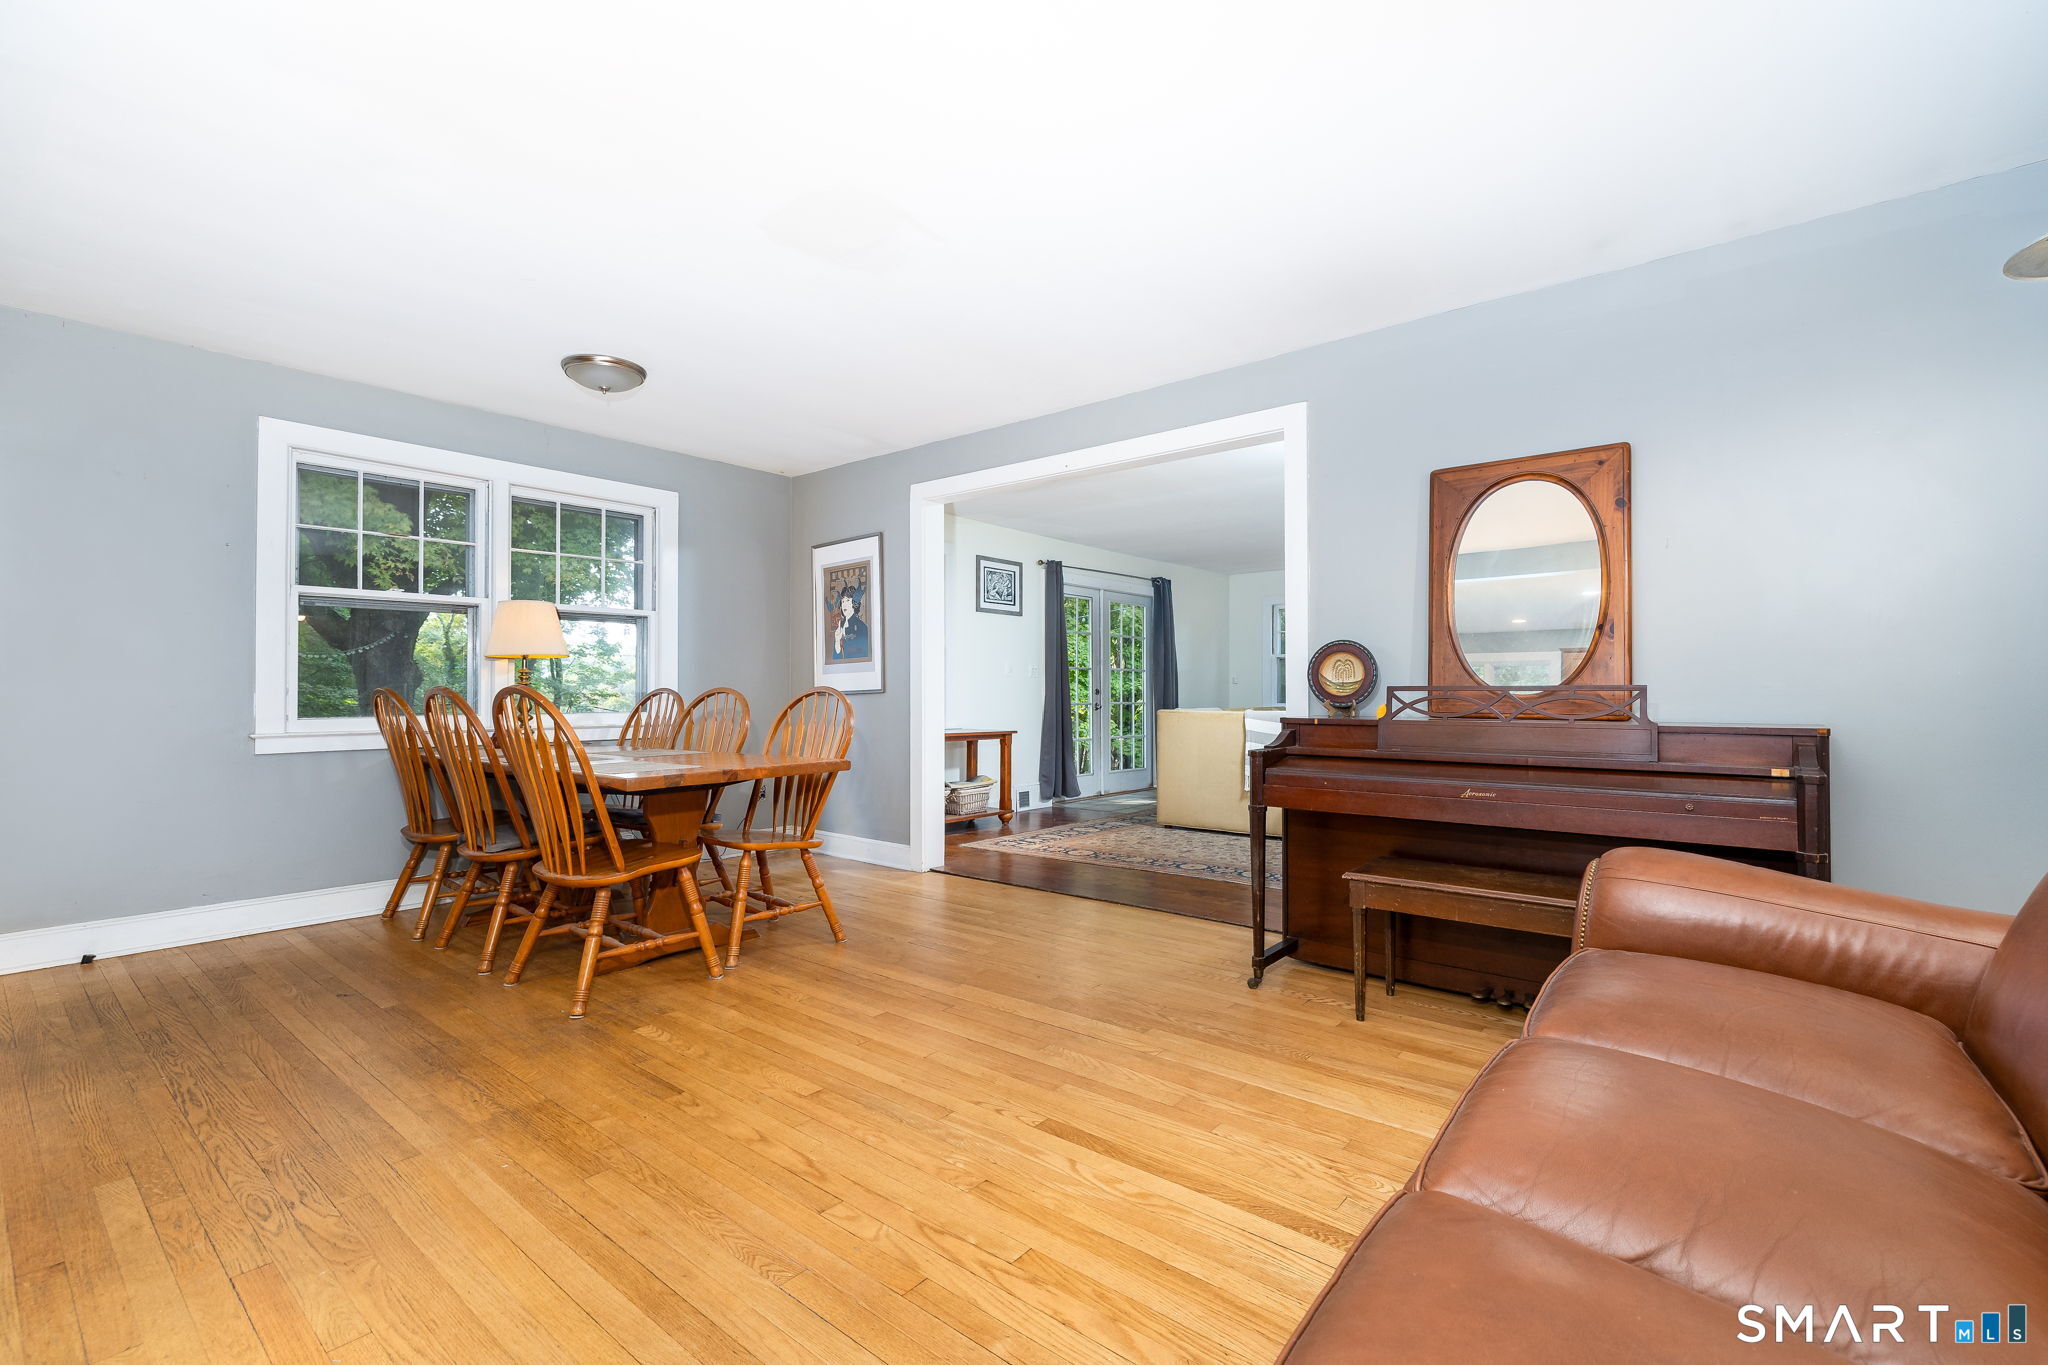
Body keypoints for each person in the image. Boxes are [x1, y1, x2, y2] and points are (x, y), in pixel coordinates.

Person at [829, 582, 869, 661]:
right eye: (843, 601)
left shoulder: (861, 626)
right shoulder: (840, 626)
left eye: (847, 600)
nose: (844, 605)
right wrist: (837, 641)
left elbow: (863, 653)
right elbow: (836, 658)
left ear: (854, 604)